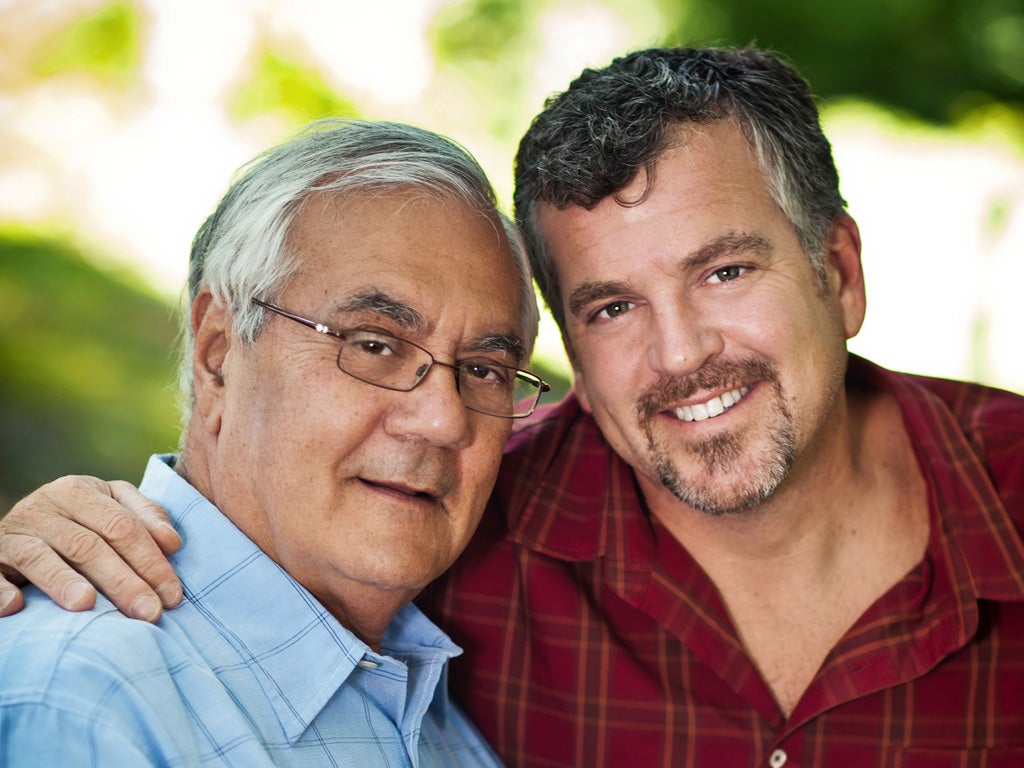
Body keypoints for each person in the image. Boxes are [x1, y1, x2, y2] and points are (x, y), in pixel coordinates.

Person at [3, 45, 1024, 767]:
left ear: (836, 271)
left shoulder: (415, 663)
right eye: (612, 305)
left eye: (723, 272)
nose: (680, 353)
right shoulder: (464, 531)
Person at [0, 118, 551, 766]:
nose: (443, 420)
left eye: (484, 370)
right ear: (217, 354)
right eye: (373, 344)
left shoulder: (436, 712)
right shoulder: (86, 697)